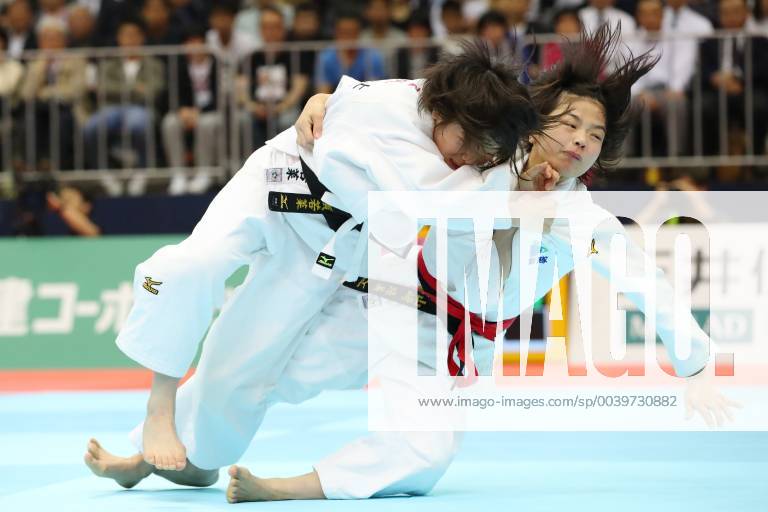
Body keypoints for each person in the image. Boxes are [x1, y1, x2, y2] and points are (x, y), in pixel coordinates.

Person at [84, 42, 544, 494]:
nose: (466, 162)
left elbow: (498, 162)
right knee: (188, 265)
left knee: (239, 375)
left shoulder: (474, 116)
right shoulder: (388, 120)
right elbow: (444, 195)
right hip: (278, 186)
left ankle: (172, 461)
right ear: (443, 114)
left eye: (484, 156)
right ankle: (158, 409)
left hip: (332, 248)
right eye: (468, 146)